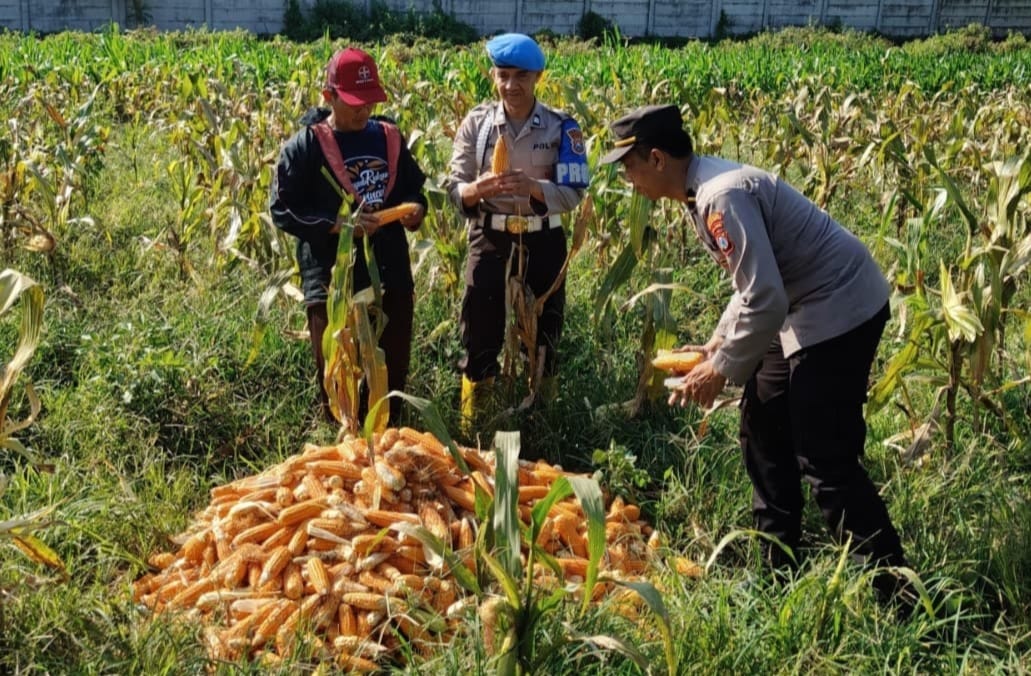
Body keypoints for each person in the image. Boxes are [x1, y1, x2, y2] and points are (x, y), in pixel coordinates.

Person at [600, 104, 912, 605]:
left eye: (629, 165)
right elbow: (752, 285)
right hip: (795, 306)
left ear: (657, 159)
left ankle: (894, 591)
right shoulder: (701, 188)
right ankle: (774, 570)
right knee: (763, 427)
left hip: (838, 307)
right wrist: (717, 344)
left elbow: (765, 295)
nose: (628, 178)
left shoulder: (721, 197)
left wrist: (720, 369)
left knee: (824, 455)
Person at [270, 47, 427, 425]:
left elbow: (413, 190)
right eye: (354, 102)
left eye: (370, 101)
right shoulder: (305, 147)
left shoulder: (388, 136)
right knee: (337, 372)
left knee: (391, 366)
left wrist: (415, 210)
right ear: (329, 97)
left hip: (389, 271)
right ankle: (341, 446)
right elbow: (282, 209)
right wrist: (338, 226)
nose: (363, 111)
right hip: (332, 277)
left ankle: (390, 434)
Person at [444, 33, 589, 435]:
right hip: (490, 234)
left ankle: (543, 415)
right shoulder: (477, 124)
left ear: (538, 75)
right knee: (480, 324)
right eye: (503, 75)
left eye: (521, 75)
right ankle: (476, 422)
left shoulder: (563, 127)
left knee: (546, 325)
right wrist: (478, 189)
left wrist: (533, 188)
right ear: (494, 76)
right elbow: (454, 188)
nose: (511, 85)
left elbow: (576, 191)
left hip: (542, 236)